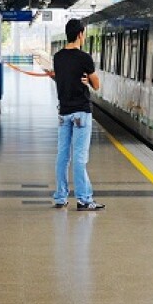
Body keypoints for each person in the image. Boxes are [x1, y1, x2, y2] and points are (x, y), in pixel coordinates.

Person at [51, 19, 105, 211]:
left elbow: (61, 78)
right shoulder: (84, 58)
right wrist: (88, 80)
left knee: (62, 156)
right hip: (81, 112)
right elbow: (96, 85)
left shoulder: (57, 57)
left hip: (64, 112)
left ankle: (60, 197)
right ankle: (84, 199)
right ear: (80, 34)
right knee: (80, 158)